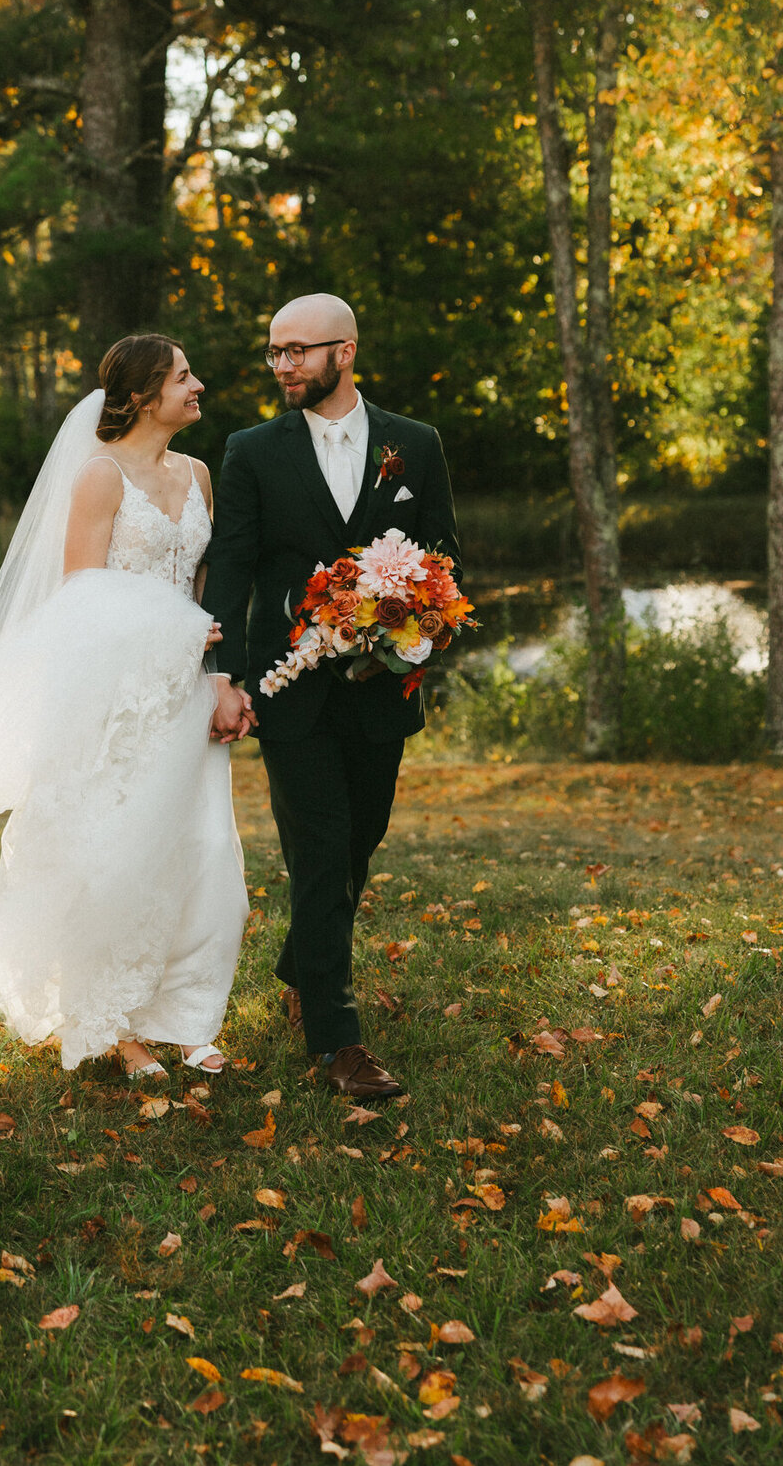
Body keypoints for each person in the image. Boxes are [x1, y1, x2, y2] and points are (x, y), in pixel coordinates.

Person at [0, 334, 250, 1080]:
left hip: (185, 691)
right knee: (117, 858)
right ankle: (118, 1025)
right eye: (184, 377)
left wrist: (214, 668)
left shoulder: (197, 473)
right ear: (140, 397)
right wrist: (171, 634)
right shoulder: (99, 478)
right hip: (114, 697)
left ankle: (189, 1017)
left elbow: (199, 586)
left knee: (201, 853)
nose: (199, 386)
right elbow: (82, 598)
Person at [202, 294, 461, 1100]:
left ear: (343, 352)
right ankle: (339, 1041)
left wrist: (416, 623)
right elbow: (235, 568)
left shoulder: (413, 444)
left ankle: (298, 965)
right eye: (274, 352)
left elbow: (444, 554)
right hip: (295, 693)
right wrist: (227, 673)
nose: (281, 366)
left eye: (297, 351)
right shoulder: (251, 450)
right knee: (319, 856)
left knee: (360, 843)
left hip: (384, 689)